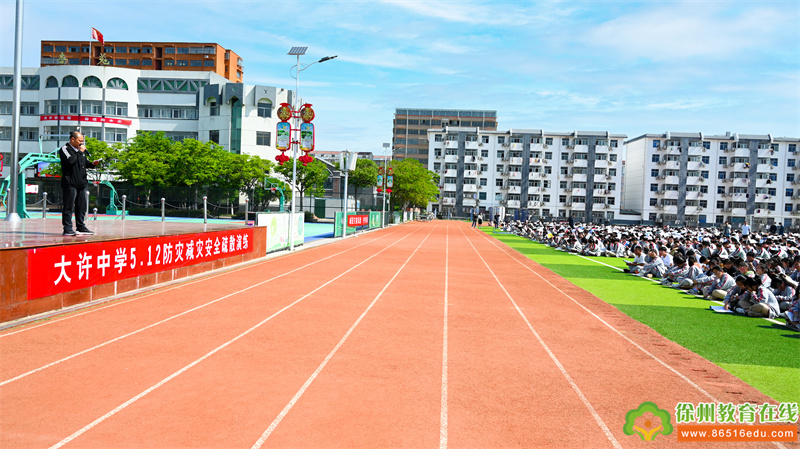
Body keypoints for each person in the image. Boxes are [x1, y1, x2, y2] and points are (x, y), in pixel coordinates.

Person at [60, 131, 99, 236]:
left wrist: (92, 164)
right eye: (80, 140)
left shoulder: (79, 152)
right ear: (73, 139)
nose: (82, 143)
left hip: (81, 183)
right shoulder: (65, 149)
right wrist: (80, 152)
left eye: (82, 140)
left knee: (81, 206)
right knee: (68, 206)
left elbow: (85, 164)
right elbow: (70, 161)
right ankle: (67, 228)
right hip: (70, 183)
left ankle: (81, 226)